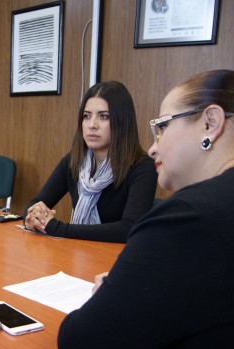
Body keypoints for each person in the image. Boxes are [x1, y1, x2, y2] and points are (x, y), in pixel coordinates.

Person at [32, 69, 234, 349]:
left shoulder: (189, 217)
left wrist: (111, 293)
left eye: (161, 128)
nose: (155, 146)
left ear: (210, 123)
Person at [23, 81, 157, 243]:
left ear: (122, 121)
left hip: (117, 260)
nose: (92, 125)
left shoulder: (143, 167)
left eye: (104, 116)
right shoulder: (75, 160)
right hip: (78, 253)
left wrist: (56, 228)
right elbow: (36, 203)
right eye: (86, 116)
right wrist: (33, 217)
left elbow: (128, 229)